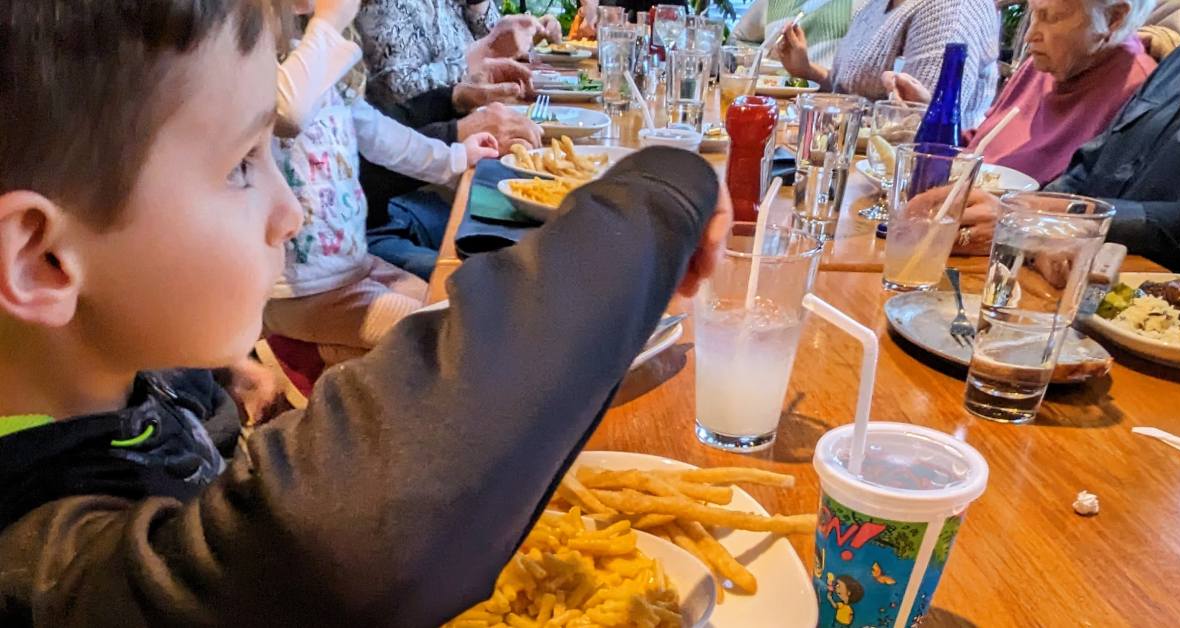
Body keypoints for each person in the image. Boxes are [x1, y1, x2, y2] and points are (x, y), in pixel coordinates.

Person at [0, 3, 730, 627]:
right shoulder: (40, 562)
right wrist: (656, 202)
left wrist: (215, 371)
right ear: (41, 262)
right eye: (241, 167)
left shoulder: (123, 379)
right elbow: (341, 541)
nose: (290, 210)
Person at [266, 1, 499, 365]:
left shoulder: (315, 60)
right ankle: (311, 358)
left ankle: (323, 356)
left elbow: (383, 137)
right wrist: (328, 21)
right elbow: (288, 112)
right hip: (298, 292)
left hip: (353, 266)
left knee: (445, 305)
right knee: (445, 341)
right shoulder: (258, 72)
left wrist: (454, 157)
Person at [953, 30, 1180, 273]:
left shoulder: (1128, 68)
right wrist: (1023, 210)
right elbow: (1095, 161)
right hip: (1078, 269)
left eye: (1052, 17)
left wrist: (1059, 220)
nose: (1030, 34)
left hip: (1155, 289)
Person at [884, 0, 1156, 186]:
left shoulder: (1137, 95)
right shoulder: (1044, 65)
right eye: (1033, 13)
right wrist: (930, 118)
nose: (1030, 35)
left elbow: (1088, 212)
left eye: (1050, 17)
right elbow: (980, 146)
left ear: (1114, 17)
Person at [775, 0, 1001, 128]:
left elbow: (920, 127)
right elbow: (849, 89)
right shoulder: (879, 4)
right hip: (853, 153)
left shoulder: (950, 8)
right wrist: (808, 70)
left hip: (910, 180)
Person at [357, 2, 561, 107]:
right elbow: (397, 90)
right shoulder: (384, 5)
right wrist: (476, 59)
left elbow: (500, 46)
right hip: (429, 153)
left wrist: (530, 33)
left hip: (482, 124)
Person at [730, 0, 868, 68]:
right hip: (771, 101)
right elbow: (733, 43)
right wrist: (763, 58)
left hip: (827, 104)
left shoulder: (868, 4)